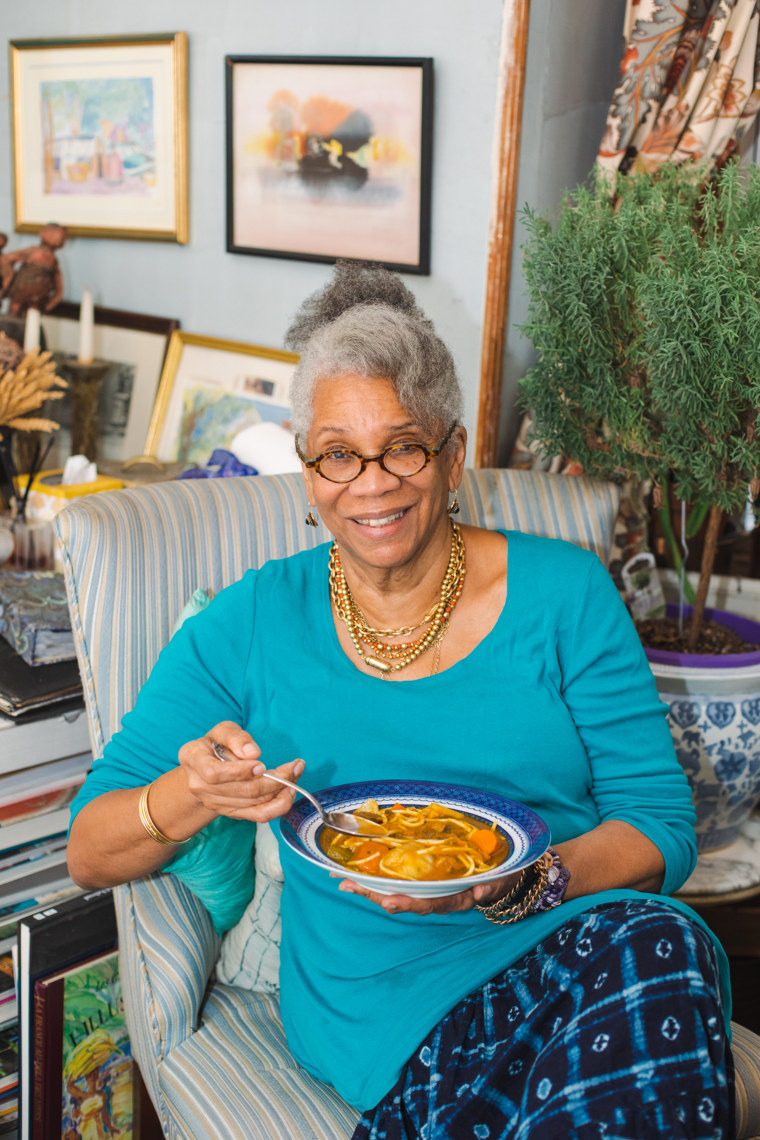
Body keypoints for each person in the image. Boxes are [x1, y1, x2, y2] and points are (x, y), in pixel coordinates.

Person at [66, 262, 734, 1139]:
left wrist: (516, 885)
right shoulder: (253, 621)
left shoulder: (565, 594)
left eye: (404, 446)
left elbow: (659, 828)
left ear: (452, 457)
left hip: (577, 945)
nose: (372, 482)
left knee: (660, 944)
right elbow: (88, 847)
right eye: (339, 454)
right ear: (309, 473)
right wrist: (196, 795)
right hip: (381, 1011)